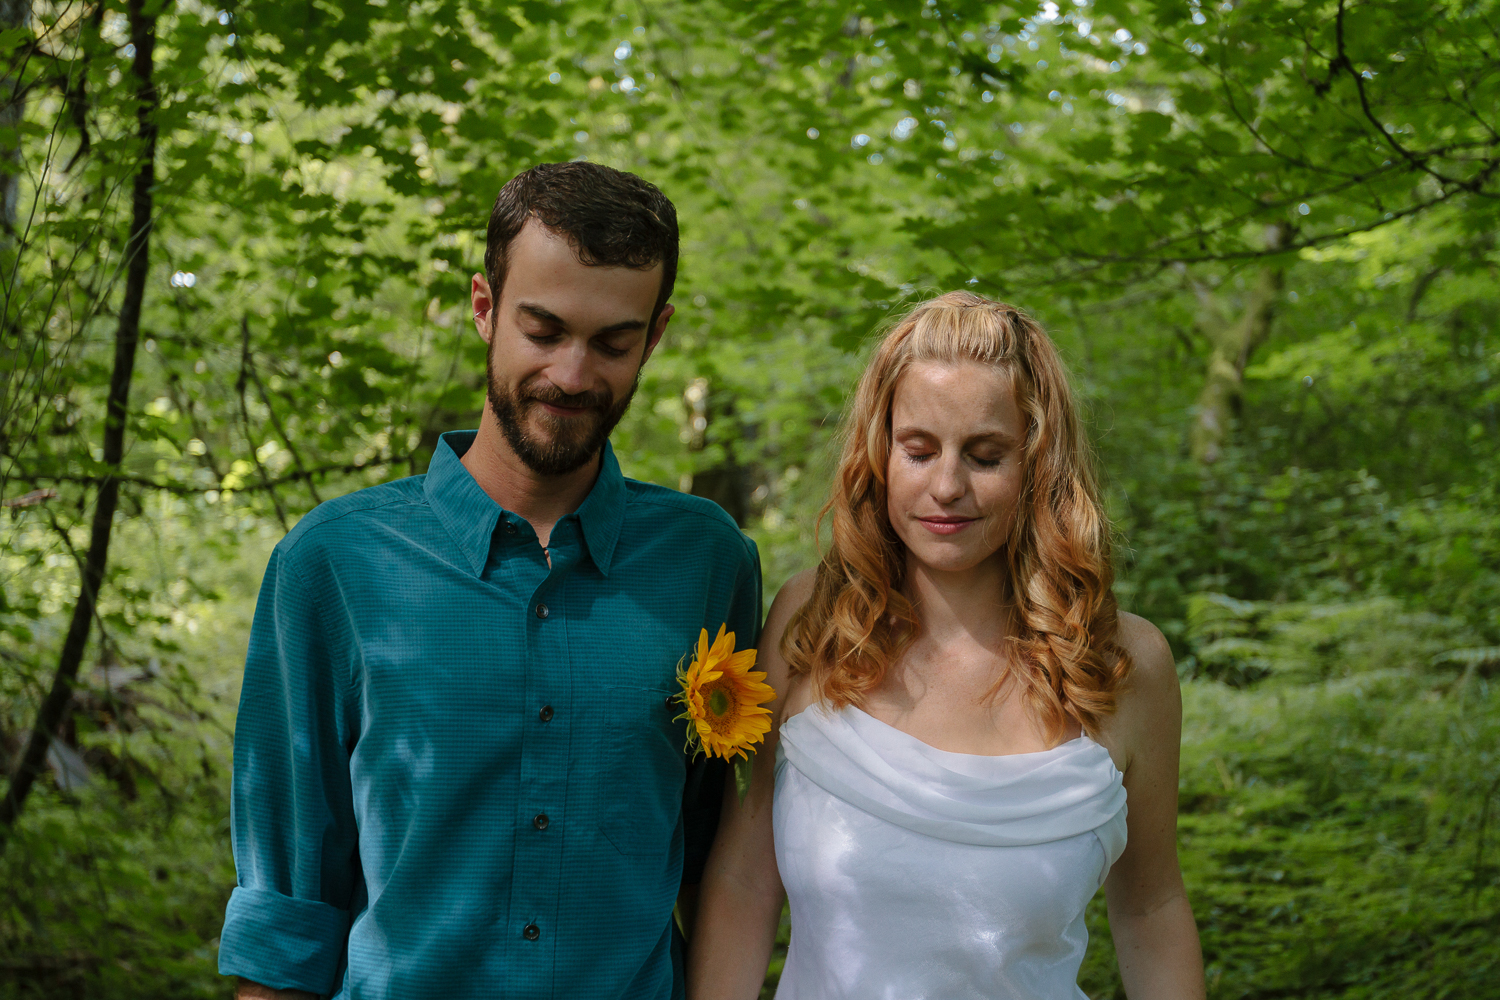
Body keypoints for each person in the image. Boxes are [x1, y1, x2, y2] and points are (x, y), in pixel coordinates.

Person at [218, 162, 761, 1000]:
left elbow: (716, 862)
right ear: (485, 308)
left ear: (655, 335)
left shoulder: (709, 563)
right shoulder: (333, 564)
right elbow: (286, 912)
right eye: (543, 331)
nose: (574, 376)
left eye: (613, 342)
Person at [689, 291, 1206, 999]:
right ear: (880, 454)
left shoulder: (1123, 665)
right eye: (919, 449)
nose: (947, 486)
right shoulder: (810, 623)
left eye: (986, 455)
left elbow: (1152, 905)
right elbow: (745, 876)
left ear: (1038, 465)